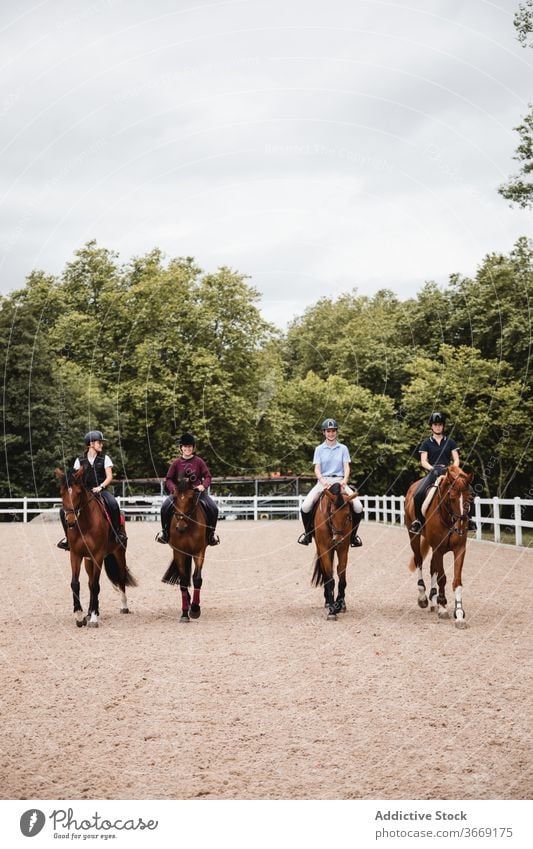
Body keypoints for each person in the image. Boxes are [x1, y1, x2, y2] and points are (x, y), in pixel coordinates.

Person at [298, 418, 363, 547]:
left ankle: (353, 536)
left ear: (336, 432)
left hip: (340, 481)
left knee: (358, 507)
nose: (331, 433)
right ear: (324, 433)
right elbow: (317, 469)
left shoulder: (343, 448)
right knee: (305, 507)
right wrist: (322, 481)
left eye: (333, 431)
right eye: (328, 431)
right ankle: (308, 534)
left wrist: (345, 480)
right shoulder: (319, 449)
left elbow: (346, 467)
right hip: (323, 482)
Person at [57, 430, 127, 550]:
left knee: (113, 504)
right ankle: (68, 539)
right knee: (62, 511)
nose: (101, 445)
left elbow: (109, 477)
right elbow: (74, 479)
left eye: (101, 442)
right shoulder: (79, 460)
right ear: (90, 444)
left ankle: (117, 534)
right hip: (84, 492)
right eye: (99, 442)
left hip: (101, 490)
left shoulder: (105, 458)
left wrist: (100, 487)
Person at [409, 412, 475, 533]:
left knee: (469, 491)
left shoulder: (450, 442)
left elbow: (456, 459)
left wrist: (452, 469)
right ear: (431, 426)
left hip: (448, 472)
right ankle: (418, 521)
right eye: (435, 424)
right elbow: (423, 461)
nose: (438, 427)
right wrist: (432, 469)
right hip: (433, 471)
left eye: (440, 424)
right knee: (418, 493)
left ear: (443, 426)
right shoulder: (426, 443)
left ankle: (469, 519)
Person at [156, 432, 220, 546]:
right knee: (164, 507)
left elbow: (208, 476)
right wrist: (173, 489)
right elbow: (169, 479)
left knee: (214, 508)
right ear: (181, 448)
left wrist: (203, 485)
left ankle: (211, 535)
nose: (187, 448)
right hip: (179, 493)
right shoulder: (176, 463)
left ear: (193, 447)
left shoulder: (199, 461)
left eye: (189, 446)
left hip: (197, 493)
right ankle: (165, 533)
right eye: (185, 446)